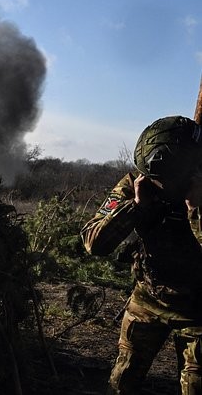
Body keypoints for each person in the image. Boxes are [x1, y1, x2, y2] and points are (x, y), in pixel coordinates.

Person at [81, 115, 202, 394]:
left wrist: (196, 209)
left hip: (198, 309)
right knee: (122, 380)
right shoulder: (140, 182)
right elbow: (93, 242)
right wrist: (136, 206)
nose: (159, 185)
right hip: (149, 296)